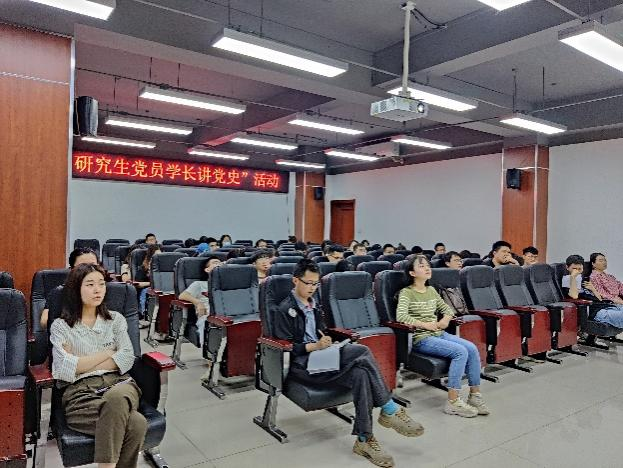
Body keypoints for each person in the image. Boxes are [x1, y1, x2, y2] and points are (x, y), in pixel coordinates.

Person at [273, 260, 423, 467]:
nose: (312, 288)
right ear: (295, 281)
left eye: (316, 284)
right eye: (308, 283)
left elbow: (322, 331)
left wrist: (327, 341)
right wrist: (314, 346)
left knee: (361, 374)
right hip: (303, 366)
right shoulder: (283, 309)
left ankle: (364, 440)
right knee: (362, 350)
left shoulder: (314, 304)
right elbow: (286, 348)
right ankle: (388, 407)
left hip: (322, 357)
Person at [50, 264, 146, 468]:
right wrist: (109, 353)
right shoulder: (61, 326)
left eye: (102, 284)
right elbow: (63, 369)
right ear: (76, 289)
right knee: (136, 423)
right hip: (79, 394)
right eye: (90, 284)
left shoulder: (115, 320)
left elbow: (127, 358)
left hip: (120, 384)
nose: (98, 290)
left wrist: (80, 362)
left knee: (116, 397)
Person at [397, 255, 489, 418]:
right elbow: (401, 317)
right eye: (421, 266)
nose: (427, 268)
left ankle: (475, 395)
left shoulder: (431, 290)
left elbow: (446, 309)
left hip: (439, 333)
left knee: (472, 349)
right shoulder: (407, 293)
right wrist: (425, 325)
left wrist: (445, 320)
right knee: (460, 352)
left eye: (427, 265)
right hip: (421, 338)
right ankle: (453, 401)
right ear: (412, 273)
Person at [40, 247, 99, 328]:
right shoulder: (59, 293)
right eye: (82, 266)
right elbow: (44, 322)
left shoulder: (110, 290)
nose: (89, 270)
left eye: (93, 266)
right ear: (72, 270)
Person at [562, 254, 623, 328]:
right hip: (596, 311)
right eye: (574, 269)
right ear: (567, 267)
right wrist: (573, 277)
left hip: (607, 306)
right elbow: (574, 296)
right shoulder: (567, 279)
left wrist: (593, 289)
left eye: (579, 269)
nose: (577, 272)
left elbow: (600, 299)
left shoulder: (584, 279)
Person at [134, 244, 161, 314]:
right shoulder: (144, 268)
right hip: (147, 291)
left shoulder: (163, 268)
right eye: (156, 256)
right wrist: (152, 283)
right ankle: (145, 312)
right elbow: (138, 284)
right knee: (146, 290)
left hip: (160, 290)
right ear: (151, 257)